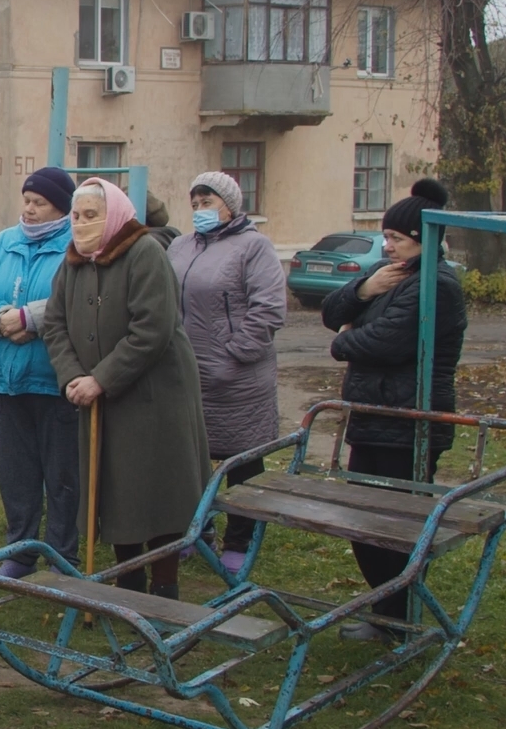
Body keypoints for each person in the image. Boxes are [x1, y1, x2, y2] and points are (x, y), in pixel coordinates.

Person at [43, 178, 208, 599]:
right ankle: (127, 581)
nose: (81, 224)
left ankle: (164, 587)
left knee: (156, 492)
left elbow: (152, 328)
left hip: (153, 397)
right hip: (99, 398)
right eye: (77, 216)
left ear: (113, 215)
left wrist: (102, 378)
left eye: (91, 215)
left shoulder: (144, 253)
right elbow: (55, 323)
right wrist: (74, 376)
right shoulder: (74, 261)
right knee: (113, 490)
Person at [320, 178, 467, 642]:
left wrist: (344, 340)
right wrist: (363, 290)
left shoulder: (436, 285)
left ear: (424, 240)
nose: (387, 246)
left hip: (410, 420)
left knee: (395, 528)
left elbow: (384, 341)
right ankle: (389, 613)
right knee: (363, 522)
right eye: (385, 237)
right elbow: (330, 311)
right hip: (374, 415)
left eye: (397, 239)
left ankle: (399, 618)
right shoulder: (392, 276)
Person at [0, 166, 79, 577]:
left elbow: (76, 297)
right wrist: (1, 317)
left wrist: (30, 318)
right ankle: (20, 551)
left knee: (62, 474)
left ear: (60, 207)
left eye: (39, 203)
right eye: (26, 200)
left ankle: (64, 555)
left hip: (53, 378)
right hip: (6, 377)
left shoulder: (74, 246)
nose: (28, 209)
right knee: (17, 474)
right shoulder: (4, 243)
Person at [166, 171, 287, 575]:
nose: (200, 210)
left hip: (238, 381)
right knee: (187, 458)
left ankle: (240, 541)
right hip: (186, 375)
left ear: (230, 205)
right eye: (195, 203)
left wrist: (233, 355)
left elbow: (268, 309)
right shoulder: (180, 246)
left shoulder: (254, 247)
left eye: (209, 202)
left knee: (242, 462)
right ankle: (195, 531)